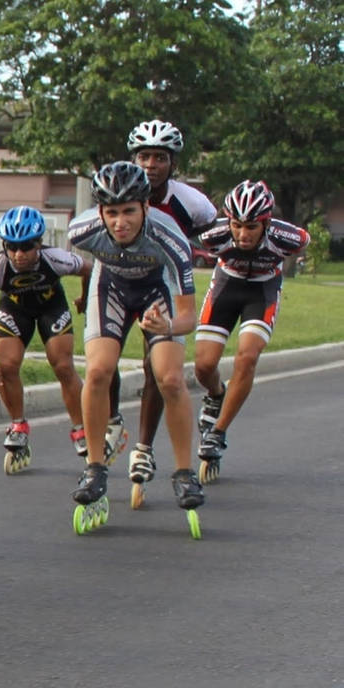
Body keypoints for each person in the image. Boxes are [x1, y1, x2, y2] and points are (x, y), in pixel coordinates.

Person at [67, 161, 204, 517]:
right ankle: (95, 468)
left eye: (129, 211)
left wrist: (168, 327)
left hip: (158, 292)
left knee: (170, 379)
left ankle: (184, 472)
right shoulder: (82, 231)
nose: (120, 222)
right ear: (100, 211)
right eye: (111, 213)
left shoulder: (170, 239)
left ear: (146, 207)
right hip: (110, 286)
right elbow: (88, 271)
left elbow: (190, 315)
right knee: (98, 371)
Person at [121, 119, 217, 486]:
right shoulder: (118, 189)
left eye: (160, 157)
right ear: (134, 157)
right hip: (121, 279)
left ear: (172, 162)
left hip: (163, 287)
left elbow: (214, 233)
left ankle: (143, 448)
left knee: (156, 369)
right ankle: (112, 422)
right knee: (103, 362)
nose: (151, 165)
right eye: (144, 156)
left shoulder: (191, 202)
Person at [194, 180, 310, 482]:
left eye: (252, 227)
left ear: (267, 223)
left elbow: (303, 243)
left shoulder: (289, 237)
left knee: (247, 358)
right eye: (237, 225)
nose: (243, 234)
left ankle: (217, 433)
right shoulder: (212, 236)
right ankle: (216, 393)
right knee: (204, 367)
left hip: (262, 291)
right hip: (226, 287)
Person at [0, 205, 92, 474]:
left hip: (52, 307)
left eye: (26, 247)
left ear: (40, 243)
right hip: (15, 309)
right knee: (7, 366)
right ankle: (18, 425)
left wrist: (85, 298)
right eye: (11, 246)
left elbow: (89, 269)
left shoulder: (57, 258)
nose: (18, 254)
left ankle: (80, 428)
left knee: (62, 366)